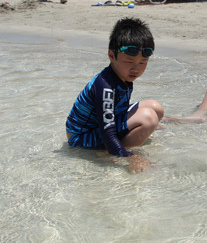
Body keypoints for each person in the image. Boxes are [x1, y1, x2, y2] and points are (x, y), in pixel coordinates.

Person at [66, 18, 164, 173]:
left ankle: (126, 140)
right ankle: (112, 152)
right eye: (130, 62)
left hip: (101, 124)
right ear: (111, 55)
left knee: (156, 108)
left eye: (142, 62)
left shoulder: (121, 75)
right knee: (149, 118)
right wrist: (130, 157)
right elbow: (108, 132)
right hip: (80, 138)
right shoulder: (105, 87)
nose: (136, 69)